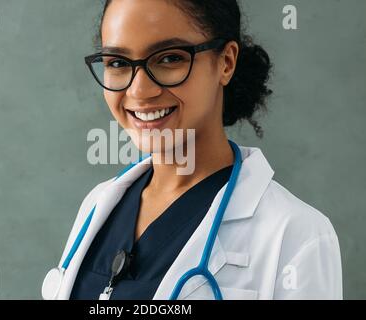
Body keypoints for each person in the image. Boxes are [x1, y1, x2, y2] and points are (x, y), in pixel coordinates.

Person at [44, 0, 342, 300]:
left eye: (170, 58)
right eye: (118, 63)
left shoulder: (297, 234)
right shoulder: (98, 205)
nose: (139, 91)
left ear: (226, 62)